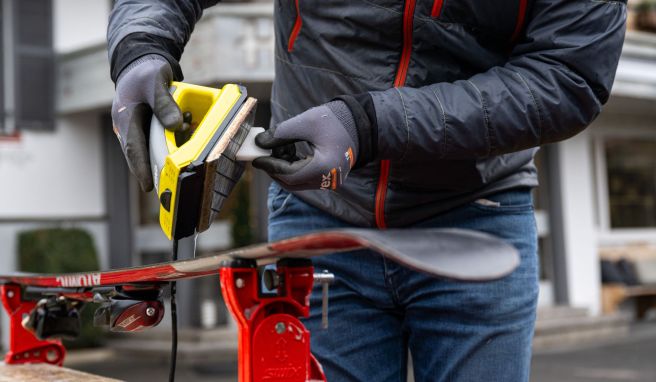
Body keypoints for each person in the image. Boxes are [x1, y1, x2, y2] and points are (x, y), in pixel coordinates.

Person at [108, 1, 627, 380]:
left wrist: (373, 124)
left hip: (476, 215)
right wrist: (139, 45)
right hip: (317, 216)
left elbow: (567, 78)